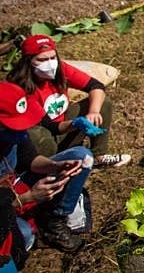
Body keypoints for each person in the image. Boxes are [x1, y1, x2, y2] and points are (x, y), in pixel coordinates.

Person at [6, 35, 130, 169]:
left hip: (64, 126)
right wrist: (76, 123)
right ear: (28, 62)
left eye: (52, 58)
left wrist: (93, 112)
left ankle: (98, 156)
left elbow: (95, 86)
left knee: (102, 102)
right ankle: (48, 167)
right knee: (40, 136)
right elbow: (50, 126)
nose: (49, 63)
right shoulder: (20, 88)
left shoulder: (61, 69)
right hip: (46, 137)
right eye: (42, 59)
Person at [0, 81, 93, 253]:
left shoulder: (14, 136)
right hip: (5, 205)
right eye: (15, 127)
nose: (23, 133)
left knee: (82, 156)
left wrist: (55, 166)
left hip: (15, 186)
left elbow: (31, 160)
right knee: (25, 236)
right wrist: (27, 197)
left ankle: (54, 220)